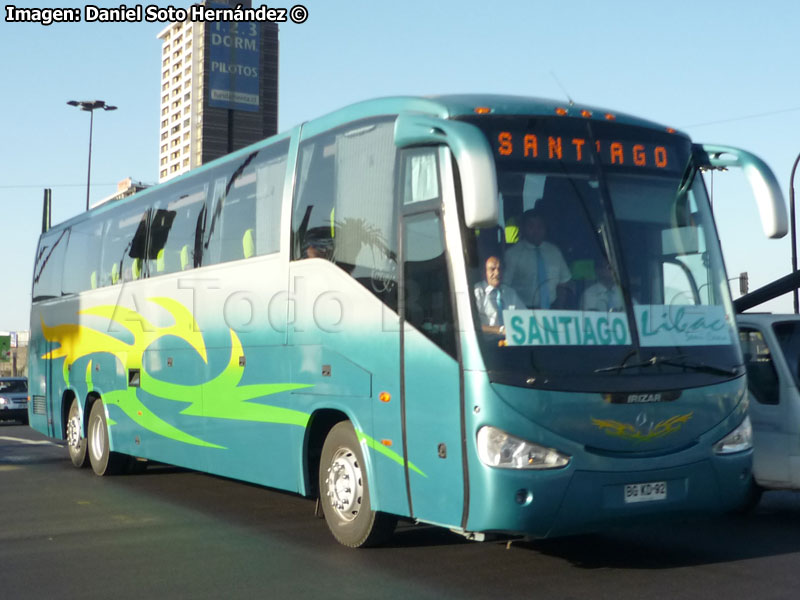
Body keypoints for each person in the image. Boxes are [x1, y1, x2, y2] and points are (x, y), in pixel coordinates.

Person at [504, 209, 572, 309]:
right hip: (522, 311)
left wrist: (559, 309)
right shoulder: (512, 254)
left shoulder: (554, 252)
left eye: (540, 226)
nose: (536, 231)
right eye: (531, 226)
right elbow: (505, 287)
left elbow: (563, 282)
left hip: (552, 310)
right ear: (523, 228)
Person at [473, 255, 525, 334]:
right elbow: (473, 325)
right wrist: (500, 330)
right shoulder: (477, 293)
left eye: (500, 269)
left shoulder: (510, 293)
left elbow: (525, 317)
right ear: (484, 272)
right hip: (486, 344)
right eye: (492, 269)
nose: (497, 273)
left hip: (512, 343)